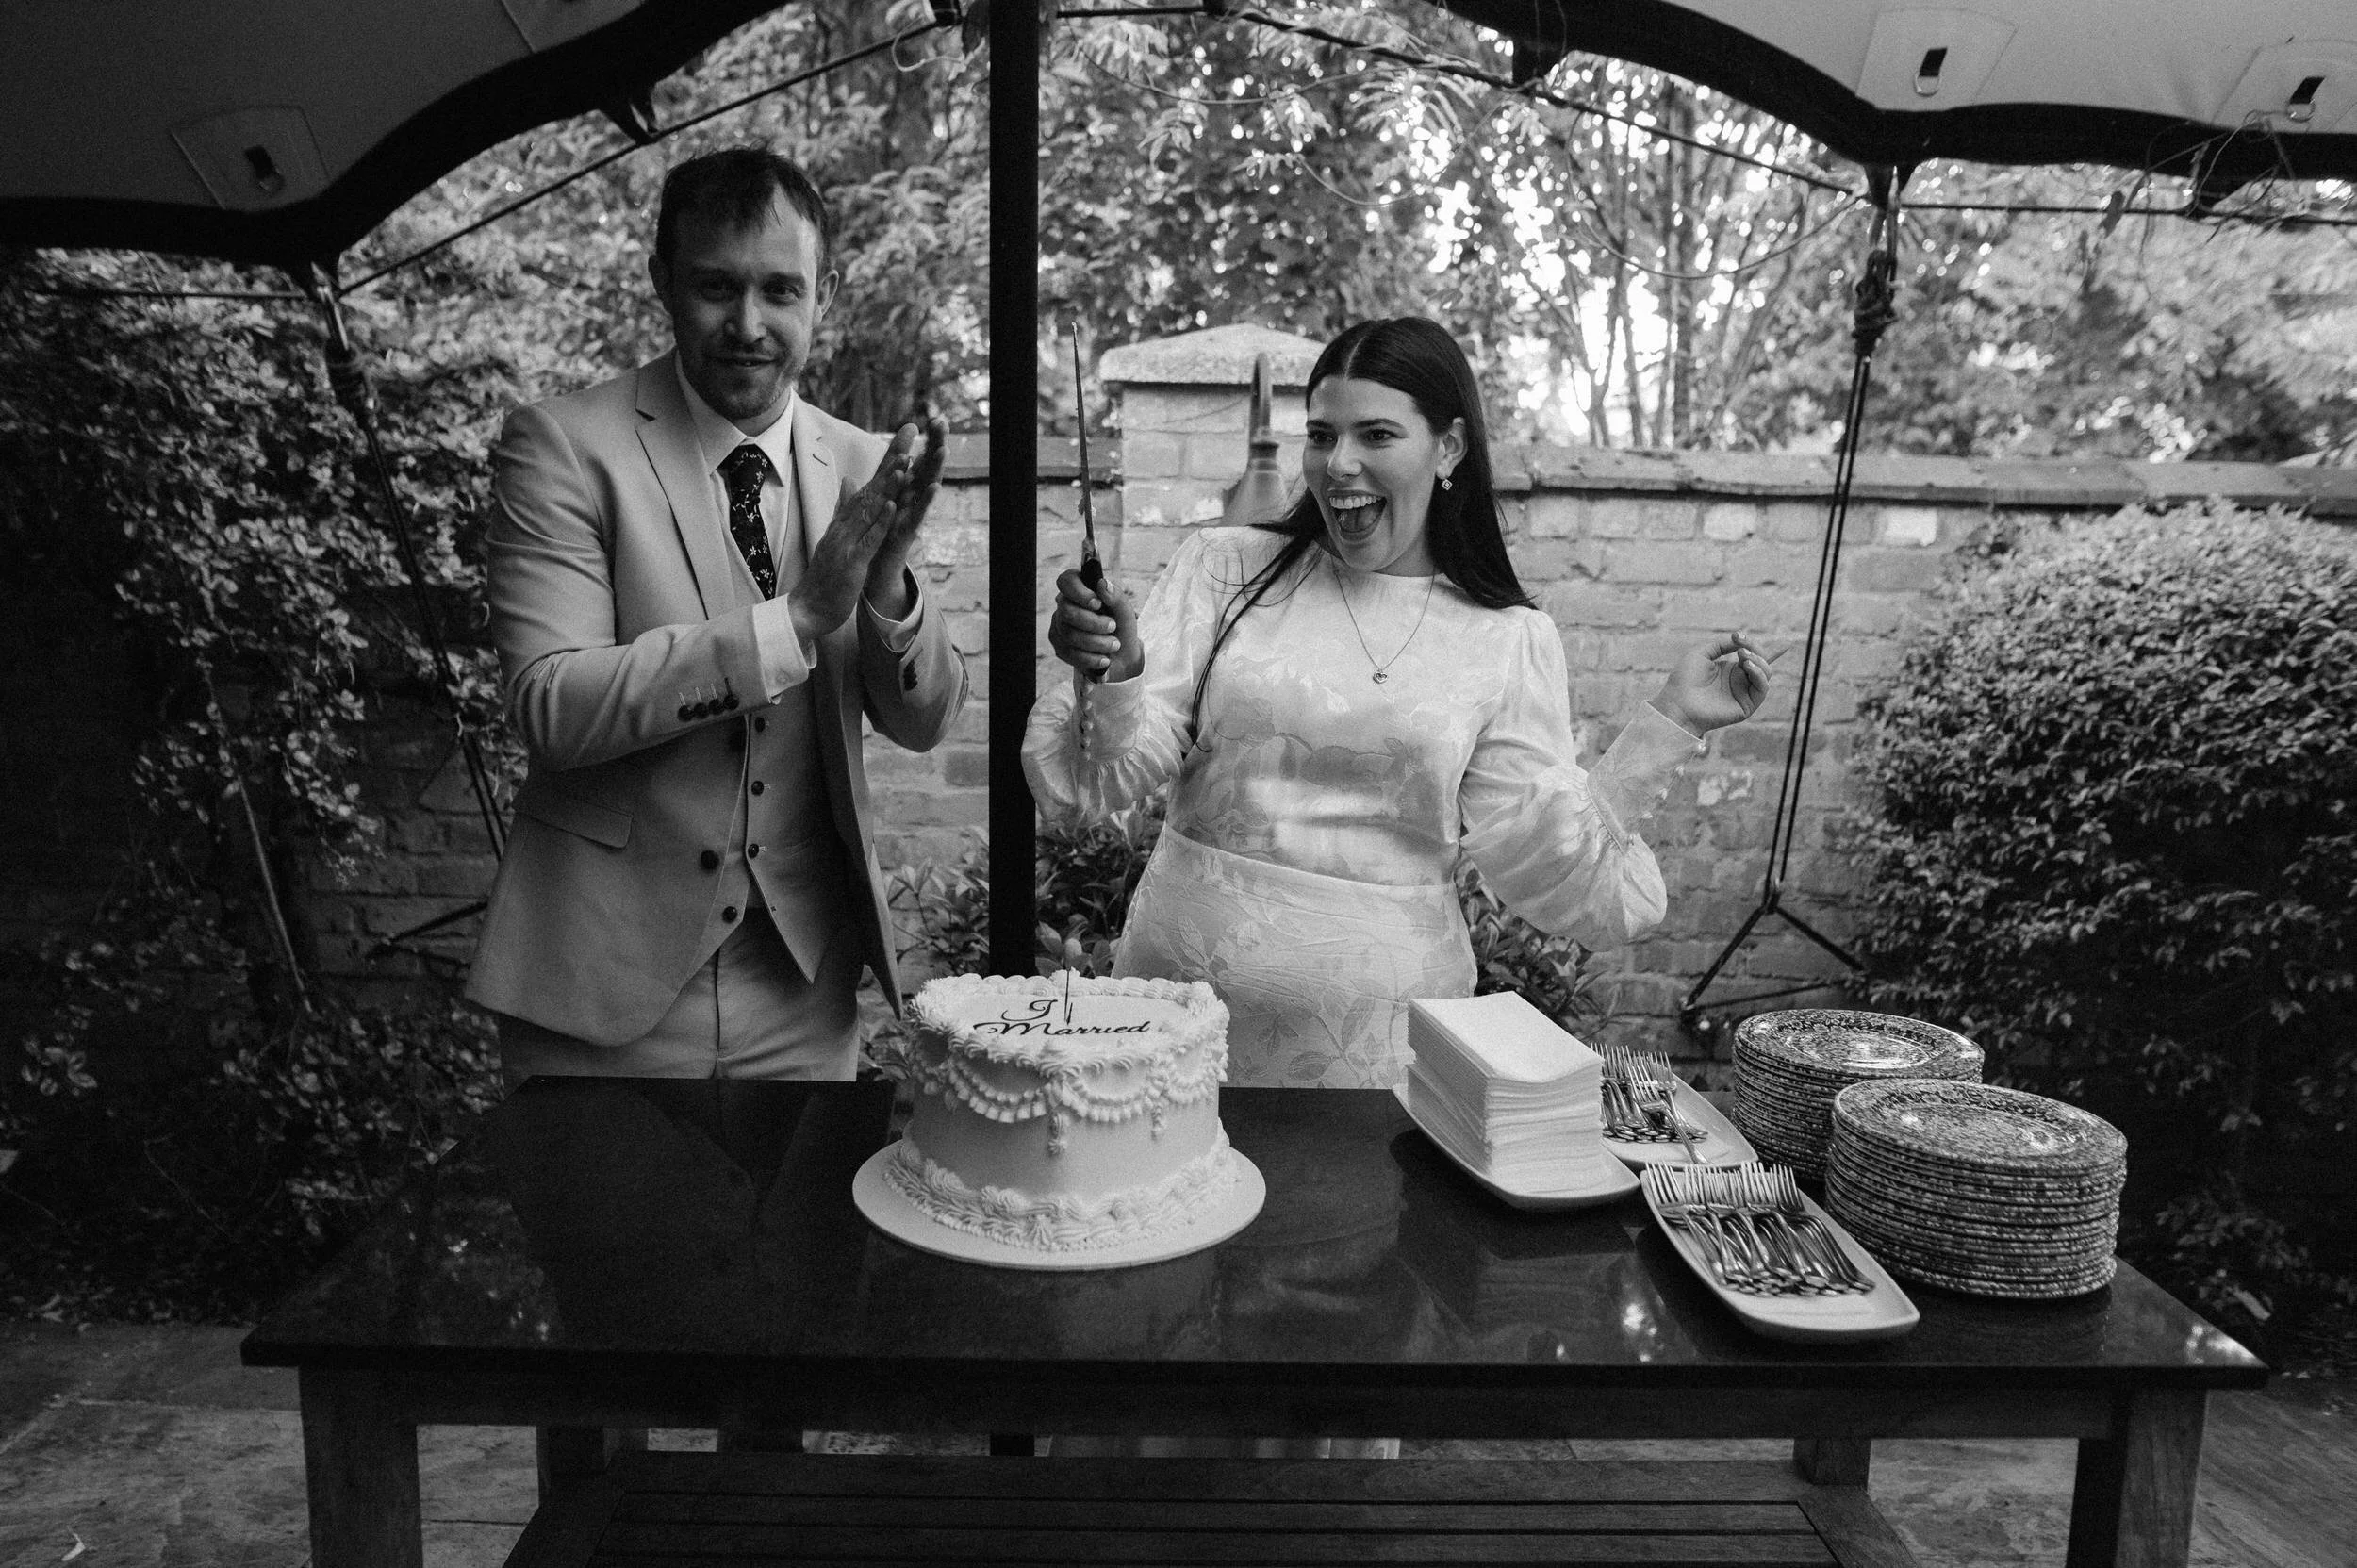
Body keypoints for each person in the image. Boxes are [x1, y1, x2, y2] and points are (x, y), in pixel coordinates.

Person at [1026, 316, 1768, 1091]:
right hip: (1174, 1026)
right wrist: (1118, 672)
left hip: (1383, 1056)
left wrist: (1672, 721)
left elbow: (1549, 864)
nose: (1338, 463)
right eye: (1321, 435)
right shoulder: (1224, 569)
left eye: (1376, 435)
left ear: (1447, 448)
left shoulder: (1507, 638)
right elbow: (1099, 784)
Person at [467, 147, 967, 1082]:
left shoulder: (864, 465)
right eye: (715, 287)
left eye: (780, 291)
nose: (749, 324)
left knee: (796, 1237)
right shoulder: (564, 448)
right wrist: (795, 620)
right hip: (599, 997)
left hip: (804, 997)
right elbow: (550, 704)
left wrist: (889, 583)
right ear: (662, 281)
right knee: (609, 1237)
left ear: (821, 294)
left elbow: (926, 718)